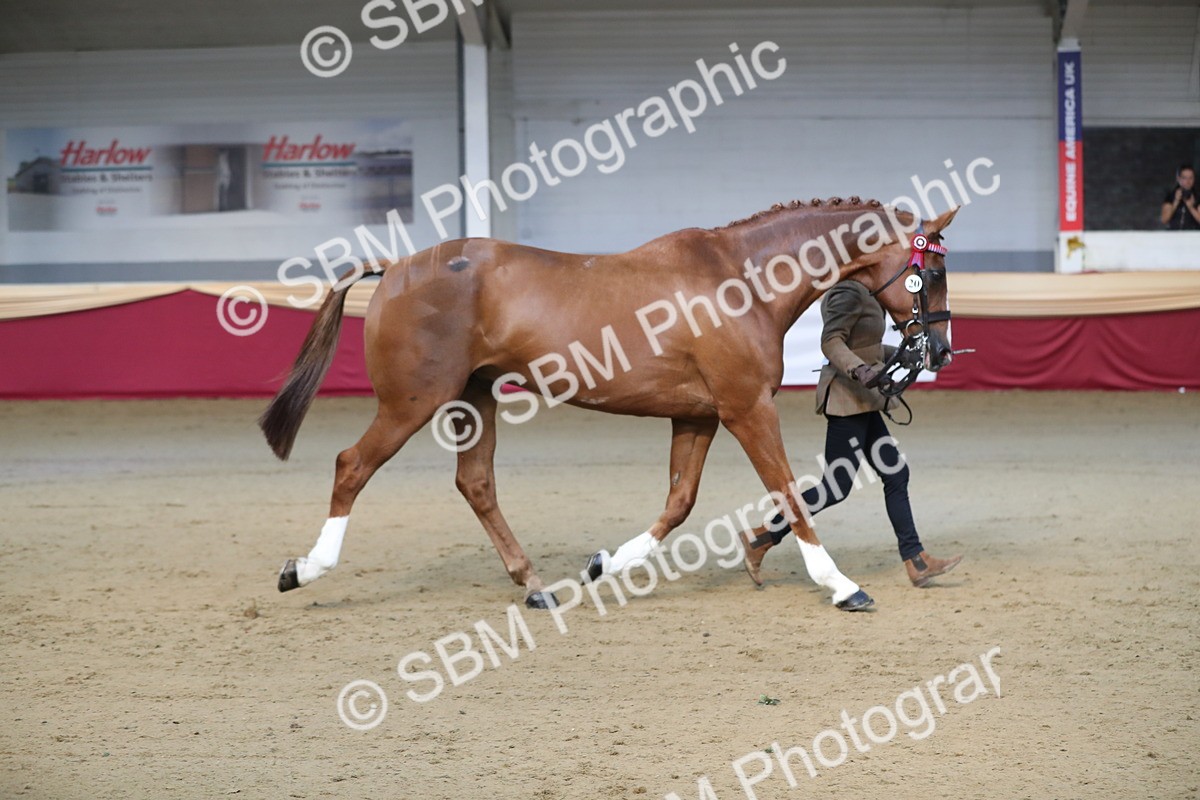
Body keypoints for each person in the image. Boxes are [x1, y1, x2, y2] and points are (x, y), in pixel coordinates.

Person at [741, 279, 962, 588]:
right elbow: (832, 342)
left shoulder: (869, 290)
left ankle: (916, 560)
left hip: (864, 400)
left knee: (895, 474)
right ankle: (763, 536)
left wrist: (902, 356)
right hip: (846, 400)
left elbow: (865, 346)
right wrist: (861, 371)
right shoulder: (847, 291)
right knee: (835, 487)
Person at [1161, 164, 1200, 230]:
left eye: (1191, 178)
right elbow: (1164, 220)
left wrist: (1191, 207)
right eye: (1184, 178)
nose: (1188, 181)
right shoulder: (1171, 196)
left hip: (1193, 236)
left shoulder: (1197, 196)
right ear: (1178, 179)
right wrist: (1175, 202)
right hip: (1173, 235)